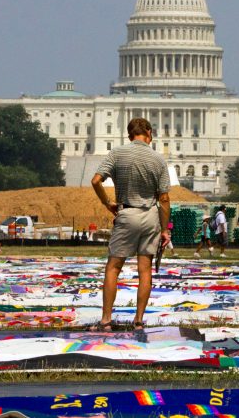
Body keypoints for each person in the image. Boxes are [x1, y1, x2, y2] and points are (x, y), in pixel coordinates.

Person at [90, 117, 170, 332]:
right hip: (151, 215)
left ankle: (106, 319)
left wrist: (107, 203)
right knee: (145, 270)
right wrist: (164, 229)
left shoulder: (117, 153)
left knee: (114, 268)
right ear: (149, 133)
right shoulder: (158, 159)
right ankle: (138, 320)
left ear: (129, 134)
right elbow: (163, 199)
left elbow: (96, 180)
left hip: (126, 213)